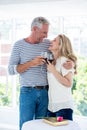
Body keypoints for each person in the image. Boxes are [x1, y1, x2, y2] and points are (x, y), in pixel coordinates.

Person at [8, 17, 73, 130]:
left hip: (45, 93)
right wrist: (31, 63)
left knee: (43, 126)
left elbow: (63, 53)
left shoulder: (47, 44)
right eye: (44, 32)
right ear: (34, 29)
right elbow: (10, 70)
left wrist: (72, 63)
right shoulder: (19, 45)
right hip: (27, 92)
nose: (46, 36)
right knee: (26, 125)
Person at [46, 34, 77, 120]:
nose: (51, 41)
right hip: (52, 107)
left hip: (63, 107)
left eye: (54, 40)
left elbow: (69, 83)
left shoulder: (64, 60)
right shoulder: (53, 61)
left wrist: (53, 71)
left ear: (60, 46)